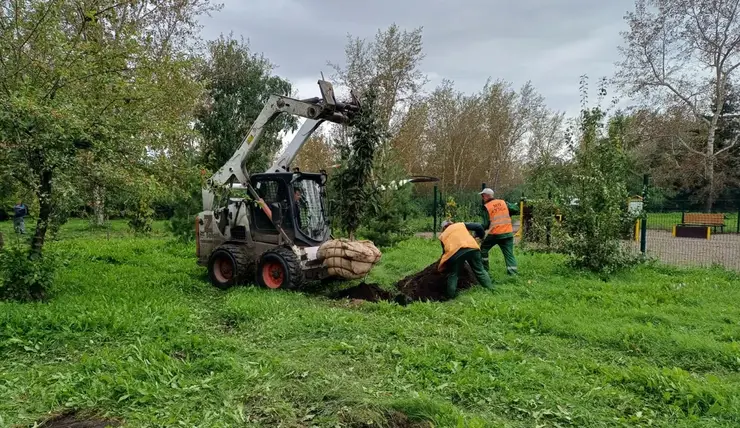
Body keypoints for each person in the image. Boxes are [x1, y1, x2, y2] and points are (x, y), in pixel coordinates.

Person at [438, 220, 493, 298]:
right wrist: (481, 236)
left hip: (455, 253)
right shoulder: (460, 225)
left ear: (443, 228)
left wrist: (443, 266)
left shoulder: (442, 236)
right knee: (480, 270)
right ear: (452, 223)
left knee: (454, 274)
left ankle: (450, 296)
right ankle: (491, 290)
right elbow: (478, 226)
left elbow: (445, 253)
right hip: (472, 248)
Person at [478, 188, 518, 275]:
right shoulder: (503, 202)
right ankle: (513, 274)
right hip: (508, 233)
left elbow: (485, 224)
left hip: (496, 234)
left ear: (486, 196)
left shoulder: (487, 207)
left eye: (483, 196)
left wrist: (477, 232)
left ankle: (485, 270)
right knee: (509, 254)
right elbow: (515, 209)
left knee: (483, 249)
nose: (482, 198)